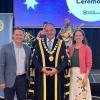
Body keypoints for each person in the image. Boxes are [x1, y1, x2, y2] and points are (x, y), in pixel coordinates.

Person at [31, 23, 69, 100]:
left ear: (55, 31)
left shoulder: (61, 43)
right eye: (47, 30)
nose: (49, 32)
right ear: (44, 31)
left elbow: (65, 60)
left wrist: (57, 69)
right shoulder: (39, 43)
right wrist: (41, 69)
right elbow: (34, 59)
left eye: (51, 30)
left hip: (57, 76)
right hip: (42, 76)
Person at [0, 27, 31, 100]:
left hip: (23, 80)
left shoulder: (28, 49)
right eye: (17, 35)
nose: (19, 37)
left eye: (21, 35)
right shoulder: (5, 48)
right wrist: (1, 81)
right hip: (8, 80)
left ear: (23, 36)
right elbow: (1, 66)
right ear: (13, 35)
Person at [68, 29, 92, 100]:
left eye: (80, 35)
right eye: (76, 35)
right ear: (74, 37)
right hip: (71, 74)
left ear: (83, 37)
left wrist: (85, 77)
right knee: (73, 93)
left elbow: (89, 64)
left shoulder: (87, 48)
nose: (78, 37)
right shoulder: (70, 48)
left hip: (82, 74)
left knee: (82, 94)